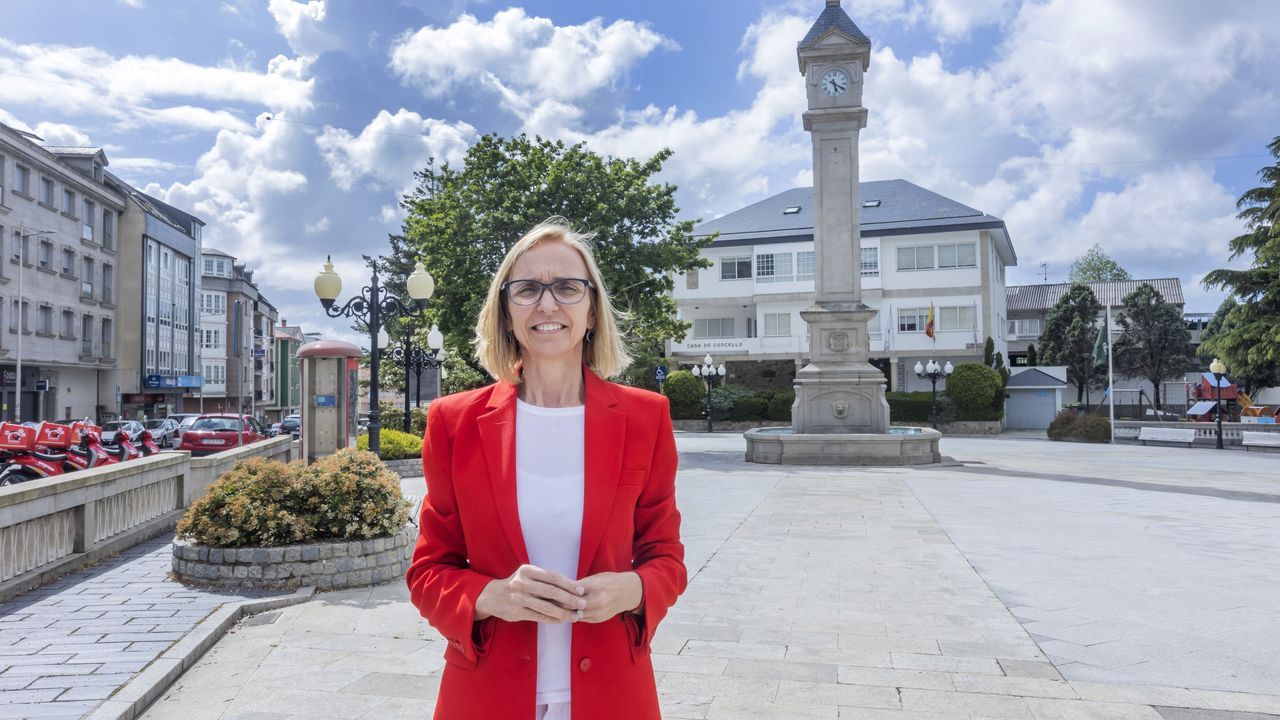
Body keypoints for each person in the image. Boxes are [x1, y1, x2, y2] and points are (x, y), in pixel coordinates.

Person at [407, 219, 686, 720]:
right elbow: (428, 572)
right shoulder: (454, 422)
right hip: (486, 696)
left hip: (614, 696)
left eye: (567, 287)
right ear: (506, 311)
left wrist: (635, 589)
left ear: (593, 308)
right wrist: (491, 596)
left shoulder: (646, 417)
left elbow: (665, 557)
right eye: (528, 288)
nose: (548, 303)